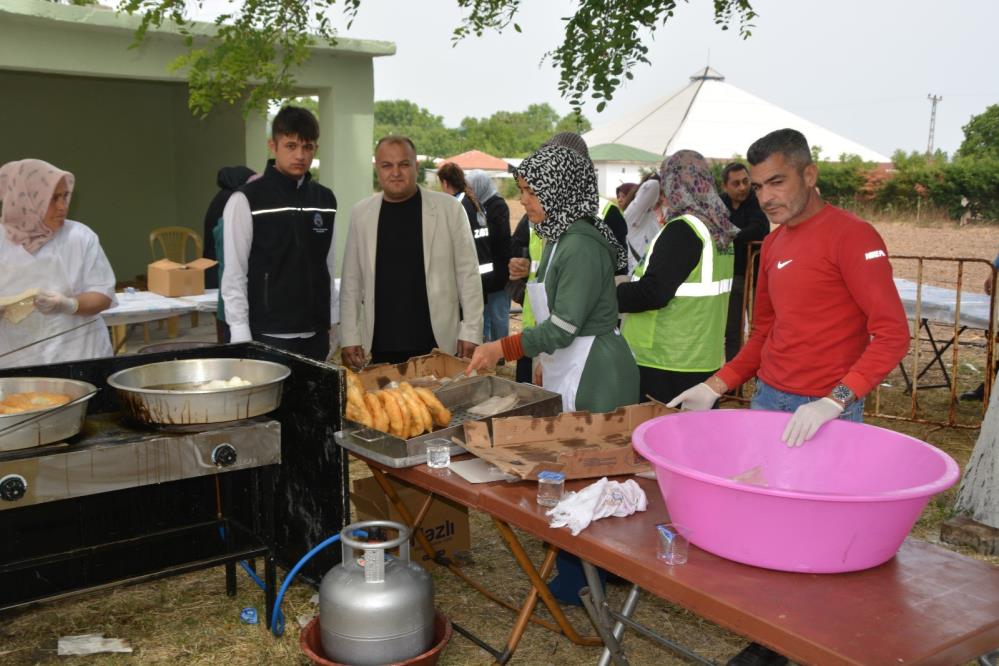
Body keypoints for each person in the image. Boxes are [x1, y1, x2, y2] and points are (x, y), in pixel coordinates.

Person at [667, 129, 910, 665]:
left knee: (817, 534)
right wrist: (715, 384)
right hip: (768, 403)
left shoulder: (852, 236)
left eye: (776, 181)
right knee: (760, 522)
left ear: (809, 174)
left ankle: (804, 645)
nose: (766, 196)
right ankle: (770, 636)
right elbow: (764, 334)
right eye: (756, 187)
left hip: (827, 413)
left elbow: (893, 333)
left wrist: (836, 400)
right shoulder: (773, 241)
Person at [467, 143, 639, 606]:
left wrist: (501, 347)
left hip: (596, 369)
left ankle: (589, 573)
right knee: (568, 468)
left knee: (588, 473)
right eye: (523, 190)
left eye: (531, 192)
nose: (525, 201)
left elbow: (563, 326)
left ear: (559, 190)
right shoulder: (559, 235)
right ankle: (574, 564)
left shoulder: (582, 244)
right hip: (570, 364)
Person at [340, 136, 483, 368]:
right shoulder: (361, 214)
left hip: (437, 342)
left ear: (416, 167)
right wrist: (349, 335)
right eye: (387, 165)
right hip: (380, 344)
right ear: (377, 168)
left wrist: (472, 330)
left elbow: (469, 275)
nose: (395, 172)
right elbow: (351, 282)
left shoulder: (449, 210)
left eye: (404, 164)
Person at [618, 150, 738, 403]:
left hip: (665, 360)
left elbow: (654, 292)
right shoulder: (720, 229)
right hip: (701, 357)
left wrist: (610, 292)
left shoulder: (683, 229)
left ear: (674, 185)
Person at [221, 106, 338, 362]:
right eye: (291, 145)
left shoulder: (325, 199)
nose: (300, 155)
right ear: (273, 146)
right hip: (267, 334)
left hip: (316, 334)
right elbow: (234, 274)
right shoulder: (246, 199)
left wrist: (334, 320)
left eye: (307, 147)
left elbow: (326, 266)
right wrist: (240, 332)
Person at [0, 159, 116, 368]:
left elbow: (103, 295)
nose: (63, 206)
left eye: (65, 196)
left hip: (78, 353)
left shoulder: (79, 237)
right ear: (25, 200)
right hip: (14, 357)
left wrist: (69, 304)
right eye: (53, 198)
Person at [436, 164, 509, 345]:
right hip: (484, 275)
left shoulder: (458, 205)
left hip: (474, 276)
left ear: (445, 183)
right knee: (482, 319)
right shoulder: (475, 203)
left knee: (479, 320)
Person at [720, 161, 771, 361]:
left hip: (757, 277)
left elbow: (759, 229)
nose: (742, 187)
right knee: (732, 331)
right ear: (725, 186)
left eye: (745, 181)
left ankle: (762, 380)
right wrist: (738, 234)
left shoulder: (756, 199)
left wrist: (729, 234)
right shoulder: (720, 202)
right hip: (731, 275)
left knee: (760, 331)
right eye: (736, 183)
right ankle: (734, 386)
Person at [467, 170, 512, 341]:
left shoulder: (498, 206)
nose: (469, 192)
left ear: (480, 187)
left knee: (498, 316)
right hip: (485, 276)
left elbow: (497, 235)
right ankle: (486, 350)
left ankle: (500, 353)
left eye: (471, 188)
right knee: (484, 315)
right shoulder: (475, 206)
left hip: (499, 275)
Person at [622, 173, 664, 272]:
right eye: (660, 193)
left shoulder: (650, 216)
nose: (661, 198)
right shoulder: (633, 213)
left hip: (647, 276)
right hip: (634, 276)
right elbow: (653, 185)